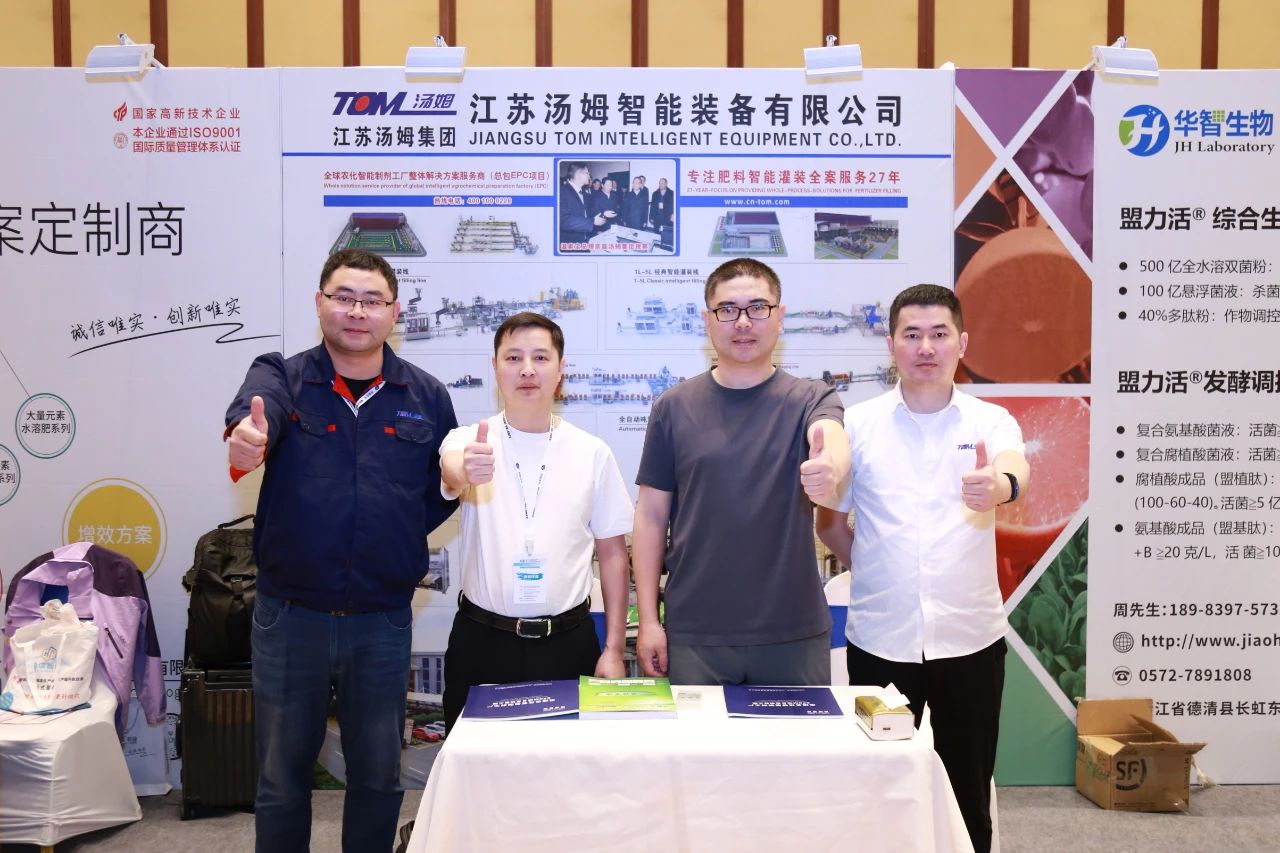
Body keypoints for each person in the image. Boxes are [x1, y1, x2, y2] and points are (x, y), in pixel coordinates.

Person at [224, 248, 458, 853]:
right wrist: (249, 437)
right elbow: (256, 417)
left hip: (380, 621)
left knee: (377, 777)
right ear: (319, 303)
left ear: (394, 312)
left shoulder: (426, 397)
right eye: (344, 297)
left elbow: (439, 493)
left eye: (372, 301)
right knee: (281, 778)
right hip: (290, 617)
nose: (357, 311)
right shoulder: (282, 377)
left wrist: (398, 531)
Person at [815, 283, 1030, 853]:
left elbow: (1015, 466)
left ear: (963, 342)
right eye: (912, 335)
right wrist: (879, 568)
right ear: (891, 345)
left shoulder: (990, 421)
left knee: (967, 795)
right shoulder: (859, 424)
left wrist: (1001, 484)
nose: (926, 347)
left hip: (970, 642)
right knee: (881, 791)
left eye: (939, 334)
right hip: (880, 642)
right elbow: (830, 525)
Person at [632, 258, 850, 686]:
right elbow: (650, 517)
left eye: (758, 307)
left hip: (793, 633)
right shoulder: (672, 408)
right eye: (728, 309)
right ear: (707, 321)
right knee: (696, 736)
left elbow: (830, 437)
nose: (744, 322)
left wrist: (830, 466)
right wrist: (649, 621)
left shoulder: (811, 398)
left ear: (780, 316)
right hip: (695, 633)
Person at [438, 312, 634, 731]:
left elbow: (613, 555)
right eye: (513, 358)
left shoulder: (591, 452)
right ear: (495, 367)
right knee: (476, 765)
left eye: (541, 358)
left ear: (561, 369)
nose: (527, 369)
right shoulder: (470, 440)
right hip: (482, 641)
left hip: (568, 642)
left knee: (566, 765)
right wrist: (463, 469)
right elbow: (451, 471)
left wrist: (614, 649)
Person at [558, 163, 605, 252]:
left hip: (584, 241)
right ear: (579, 175)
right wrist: (592, 221)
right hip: (570, 246)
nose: (589, 176)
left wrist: (600, 218)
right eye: (587, 173)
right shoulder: (561, 192)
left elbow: (586, 214)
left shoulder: (584, 193)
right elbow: (563, 220)